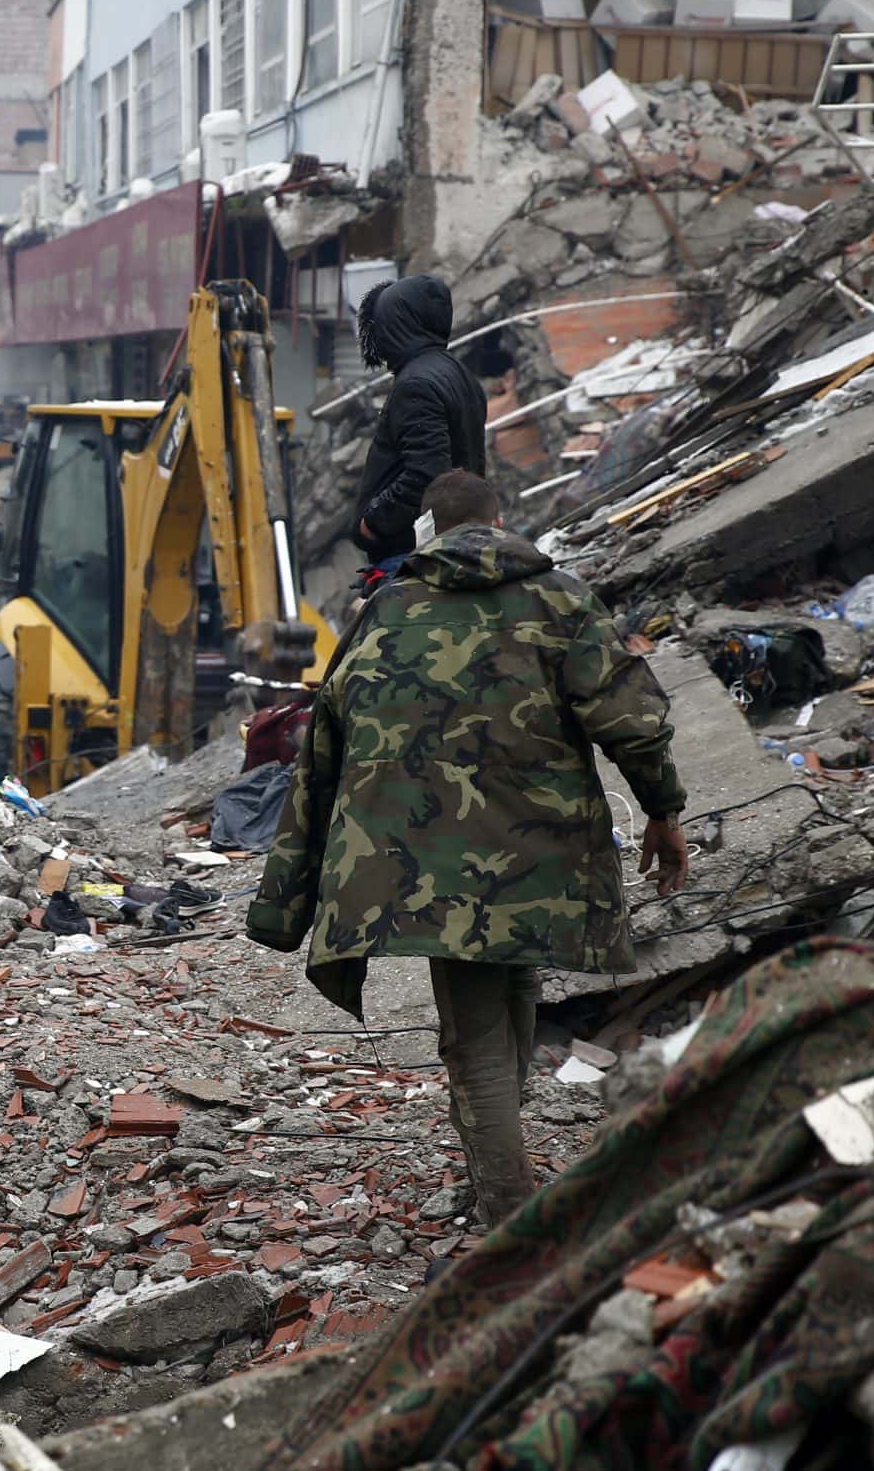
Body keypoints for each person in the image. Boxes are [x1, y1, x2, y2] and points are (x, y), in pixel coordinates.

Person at [247, 470, 688, 1225]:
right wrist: (662, 810)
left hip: (413, 861)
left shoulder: (385, 609)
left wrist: (293, 886)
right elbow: (631, 718)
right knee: (501, 1001)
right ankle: (506, 1196)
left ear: (429, 527)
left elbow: (322, 743)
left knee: (487, 1019)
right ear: (500, 517)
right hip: (538, 849)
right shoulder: (559, 598)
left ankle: (505, 1204)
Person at [350, 274, 485, 597]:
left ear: (397, 324)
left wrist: (375, 521)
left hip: (415, 559)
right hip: (452, 549)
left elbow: (427, 475)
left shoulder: (416, 384)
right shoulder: (459, 375)